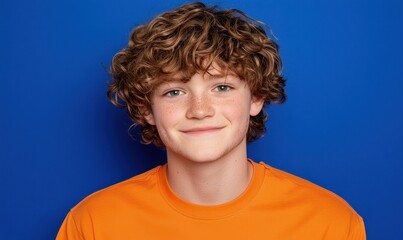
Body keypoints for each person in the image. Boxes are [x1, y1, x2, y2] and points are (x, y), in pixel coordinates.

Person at [56, 2, 366, 239]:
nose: (199, 110)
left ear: (256, 98)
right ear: (146, 108)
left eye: (222, 87)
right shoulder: (93, 224)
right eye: (175, 91)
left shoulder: (330, 223)